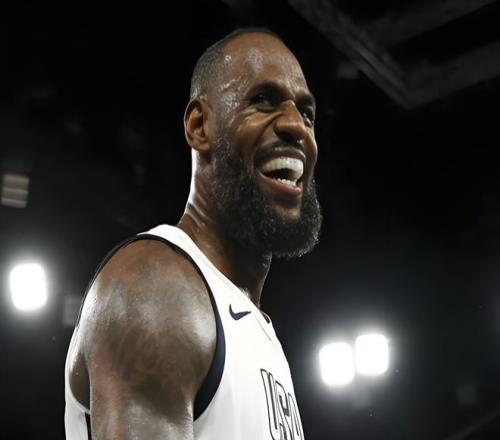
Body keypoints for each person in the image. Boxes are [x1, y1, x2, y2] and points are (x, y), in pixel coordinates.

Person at [64, 27, 322, 440]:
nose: (297, 126)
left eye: (307, 114)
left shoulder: (253, 328)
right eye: (263, 100)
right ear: (200, 125)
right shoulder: (158, 289)